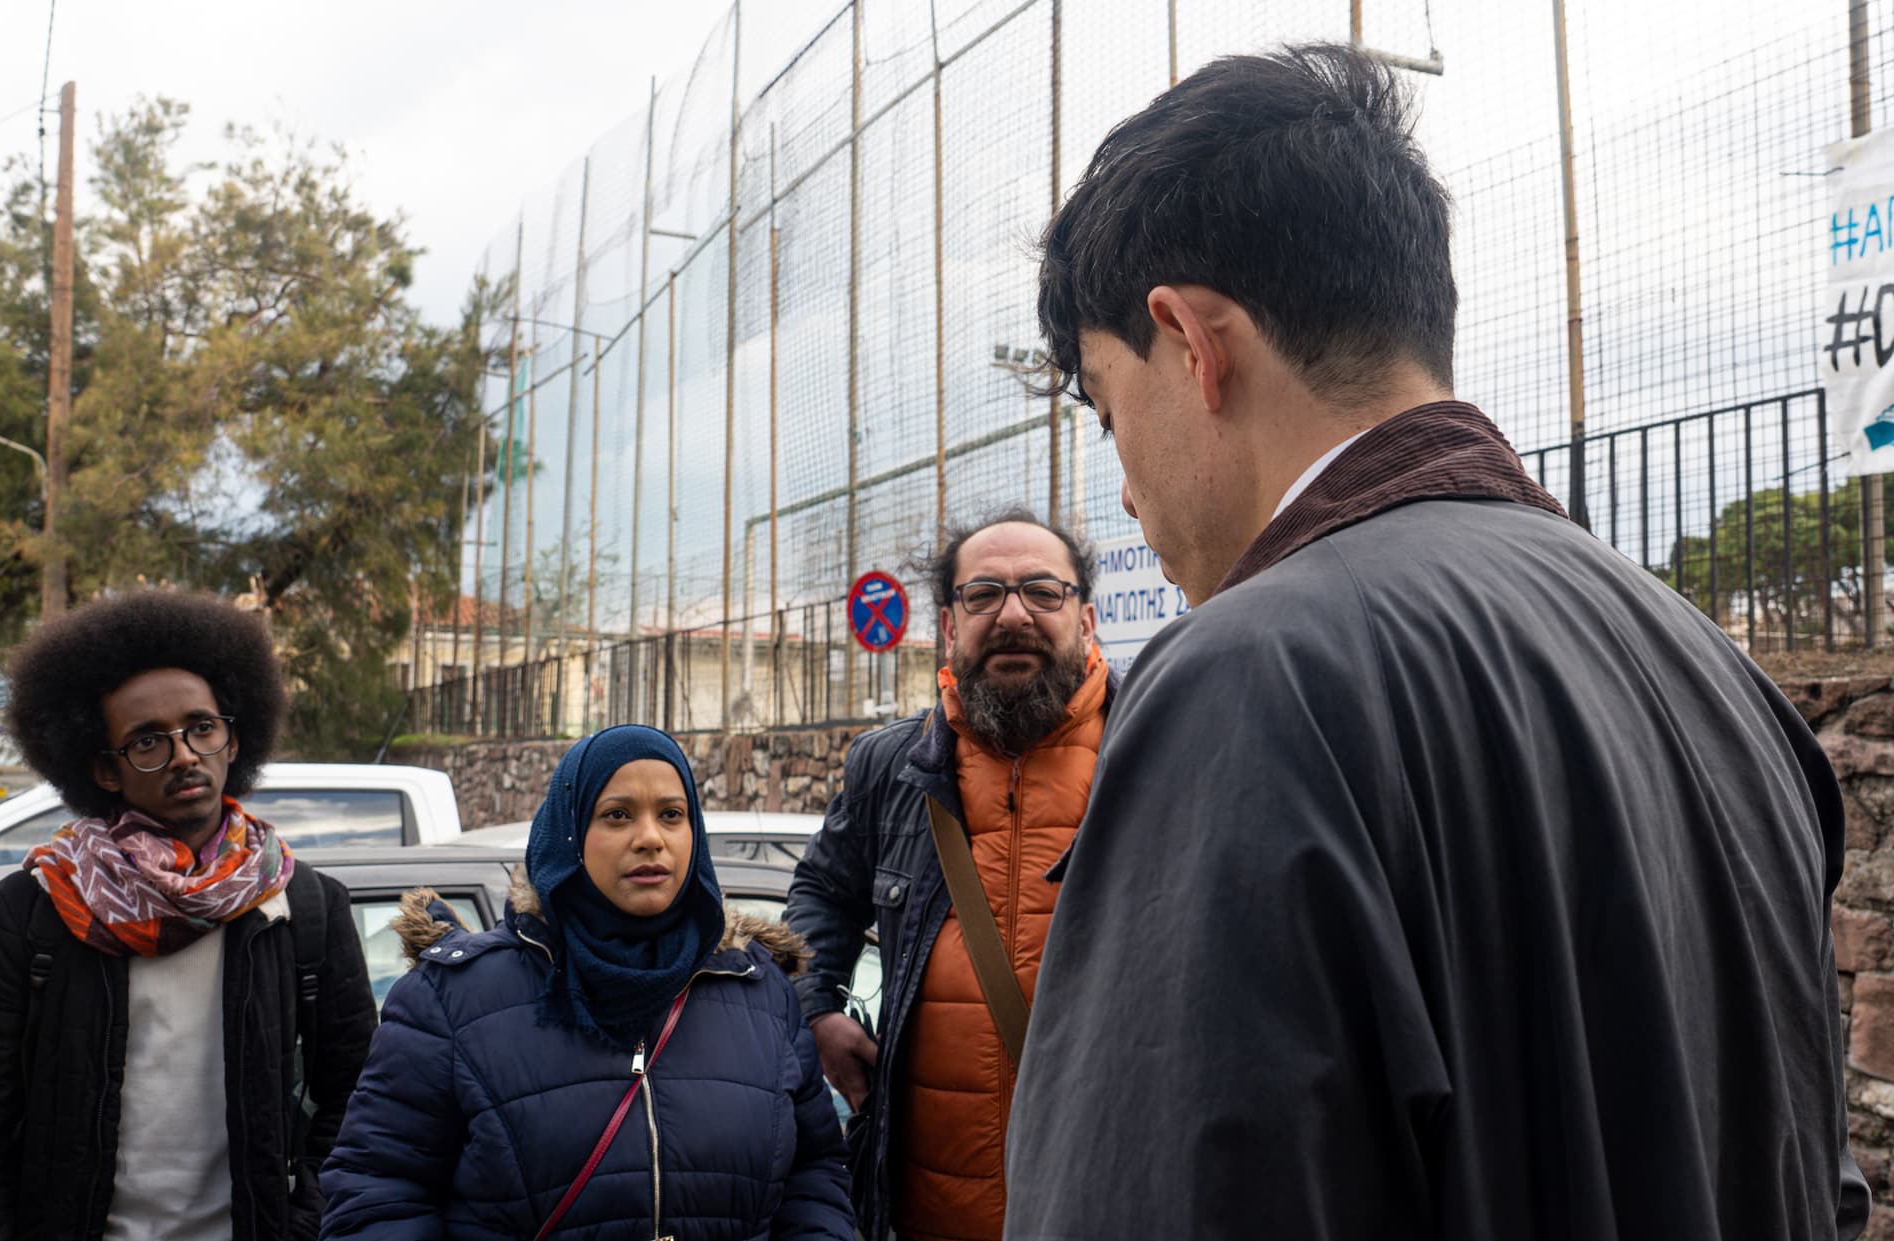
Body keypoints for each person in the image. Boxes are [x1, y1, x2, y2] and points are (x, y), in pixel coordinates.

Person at [1000, 43, 1869, 1241]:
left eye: (1108, 408)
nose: (1130, 492)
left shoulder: (1250, 680)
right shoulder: (1715, 668)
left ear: (1192, 343)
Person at [319, 724, 856, 1240]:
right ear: (570, 834)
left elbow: (813, 1175)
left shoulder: (758, 991)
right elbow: (379, 1191)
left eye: (672, 814)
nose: (651, 838)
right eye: (617, 815)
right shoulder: (453, 997)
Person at [0, 589, 377, 1240]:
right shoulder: (37, 908)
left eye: (200, 727)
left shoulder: (304, 905)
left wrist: (304, 1222)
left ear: (233, 738)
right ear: (105, 769)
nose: (185, 754)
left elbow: (358, 1098)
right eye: (148, 742)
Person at [785, 509, 1112, 1241]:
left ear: (1086, 618)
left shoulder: (1150, 745)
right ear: (946, 624)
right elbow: (819, 894)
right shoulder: (889, 768)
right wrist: (815, 1008)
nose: (1013, 614)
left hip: (1104, 1200)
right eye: (984, 593)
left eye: (1042, 591)